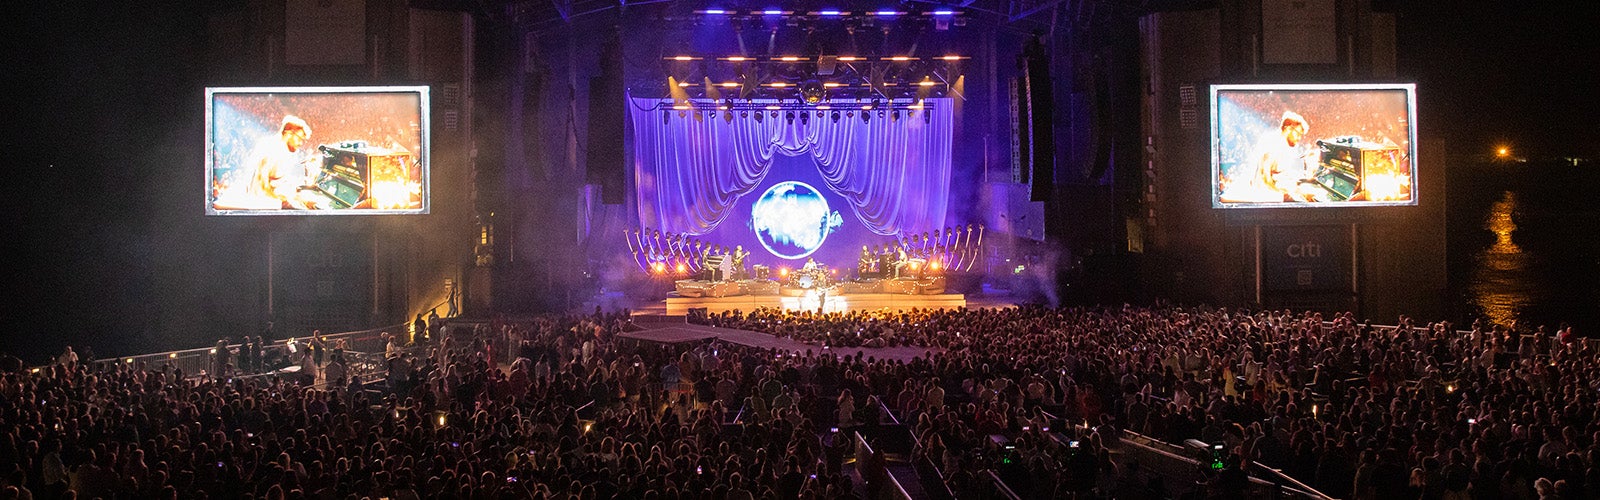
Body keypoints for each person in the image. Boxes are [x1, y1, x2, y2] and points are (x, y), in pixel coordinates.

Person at [246, 115, 318, 209]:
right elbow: (263, 185)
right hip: (263, 206)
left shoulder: (277, 147)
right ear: (289, 134)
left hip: (265, 203)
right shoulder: (273, 149)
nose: (300, 143)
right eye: (299, 139)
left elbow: (277, 182)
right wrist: (291, 200)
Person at [1252, 111, 1319, 202]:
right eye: (1298, 134)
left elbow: (1278, 175)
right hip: (1267, 199)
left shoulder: (1281, 145)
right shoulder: (1273, 144)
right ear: (1288, 129)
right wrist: (1289, 193)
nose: (1299, 138)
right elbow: (1265, 178)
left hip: (1272, 196)